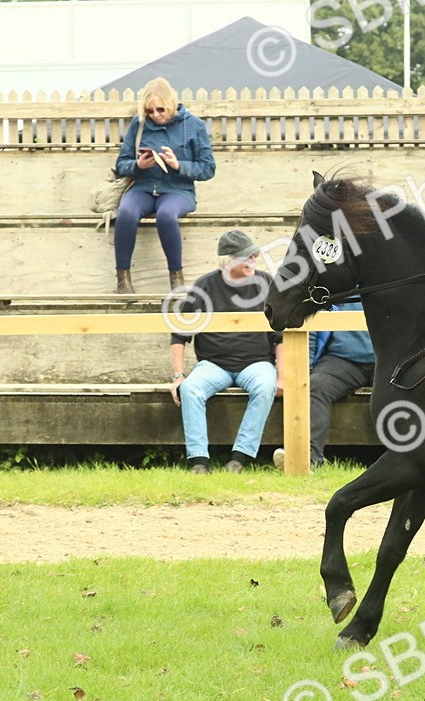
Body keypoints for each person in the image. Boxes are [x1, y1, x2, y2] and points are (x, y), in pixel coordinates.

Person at [170, 231, 282, 474]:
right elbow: (179, 335)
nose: (254, 260)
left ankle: (239, 458)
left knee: (265, 386)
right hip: (213, 364)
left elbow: (279, 336)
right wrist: (177, 375)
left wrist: (282, 376)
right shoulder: (204, 286)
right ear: (228, 261)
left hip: (257, 362)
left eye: (255, 255)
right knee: (190, 388)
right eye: (247, 257)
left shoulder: (267, 283)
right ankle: (198, 461)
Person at [113, 77, 216, 293]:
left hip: (177, 189)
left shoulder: (193, 125)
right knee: (125, 213)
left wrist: (178, 165)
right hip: (143, 186)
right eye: (150, 111)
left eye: (160, 109)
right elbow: (121, 164)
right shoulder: (139, 125)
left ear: (170, 104)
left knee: (167, 215)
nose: (156, 115)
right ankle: (122, 279)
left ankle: (176, 278)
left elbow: (208, 168)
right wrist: (138, 165)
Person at [272, 301, 375, 471]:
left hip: (384, 358)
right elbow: (311, 327)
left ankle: (405, 457)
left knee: (400, 388)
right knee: (316, 386)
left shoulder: (387, 284)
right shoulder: (334, 287)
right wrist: (305, 371)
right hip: (341, 360)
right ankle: (308, 459)